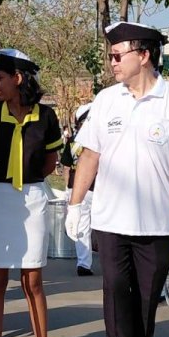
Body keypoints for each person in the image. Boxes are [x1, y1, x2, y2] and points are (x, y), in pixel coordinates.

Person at [66, 22, 169, 337]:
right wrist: (75, 205)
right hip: (111, 219)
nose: (112, 62)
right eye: (111, 56)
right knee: (116, 292)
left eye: (117, 55)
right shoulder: (106, 99)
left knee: (147, 298)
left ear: (143, 55)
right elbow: (90, 155)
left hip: (157, 221)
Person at [0, 48, 63, 337]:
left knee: (32, 280)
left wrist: (28, 180)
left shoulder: (46, 116)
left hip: (32, 198)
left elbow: (51, 161)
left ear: (18, 78)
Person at [60, 102, 95, 276]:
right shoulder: (100, 140)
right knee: (102, 226)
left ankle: (84, 263)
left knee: (82, 226)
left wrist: (68, 188)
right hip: (96, 187)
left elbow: (67, 167)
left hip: (78, 188)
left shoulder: (73, 142)